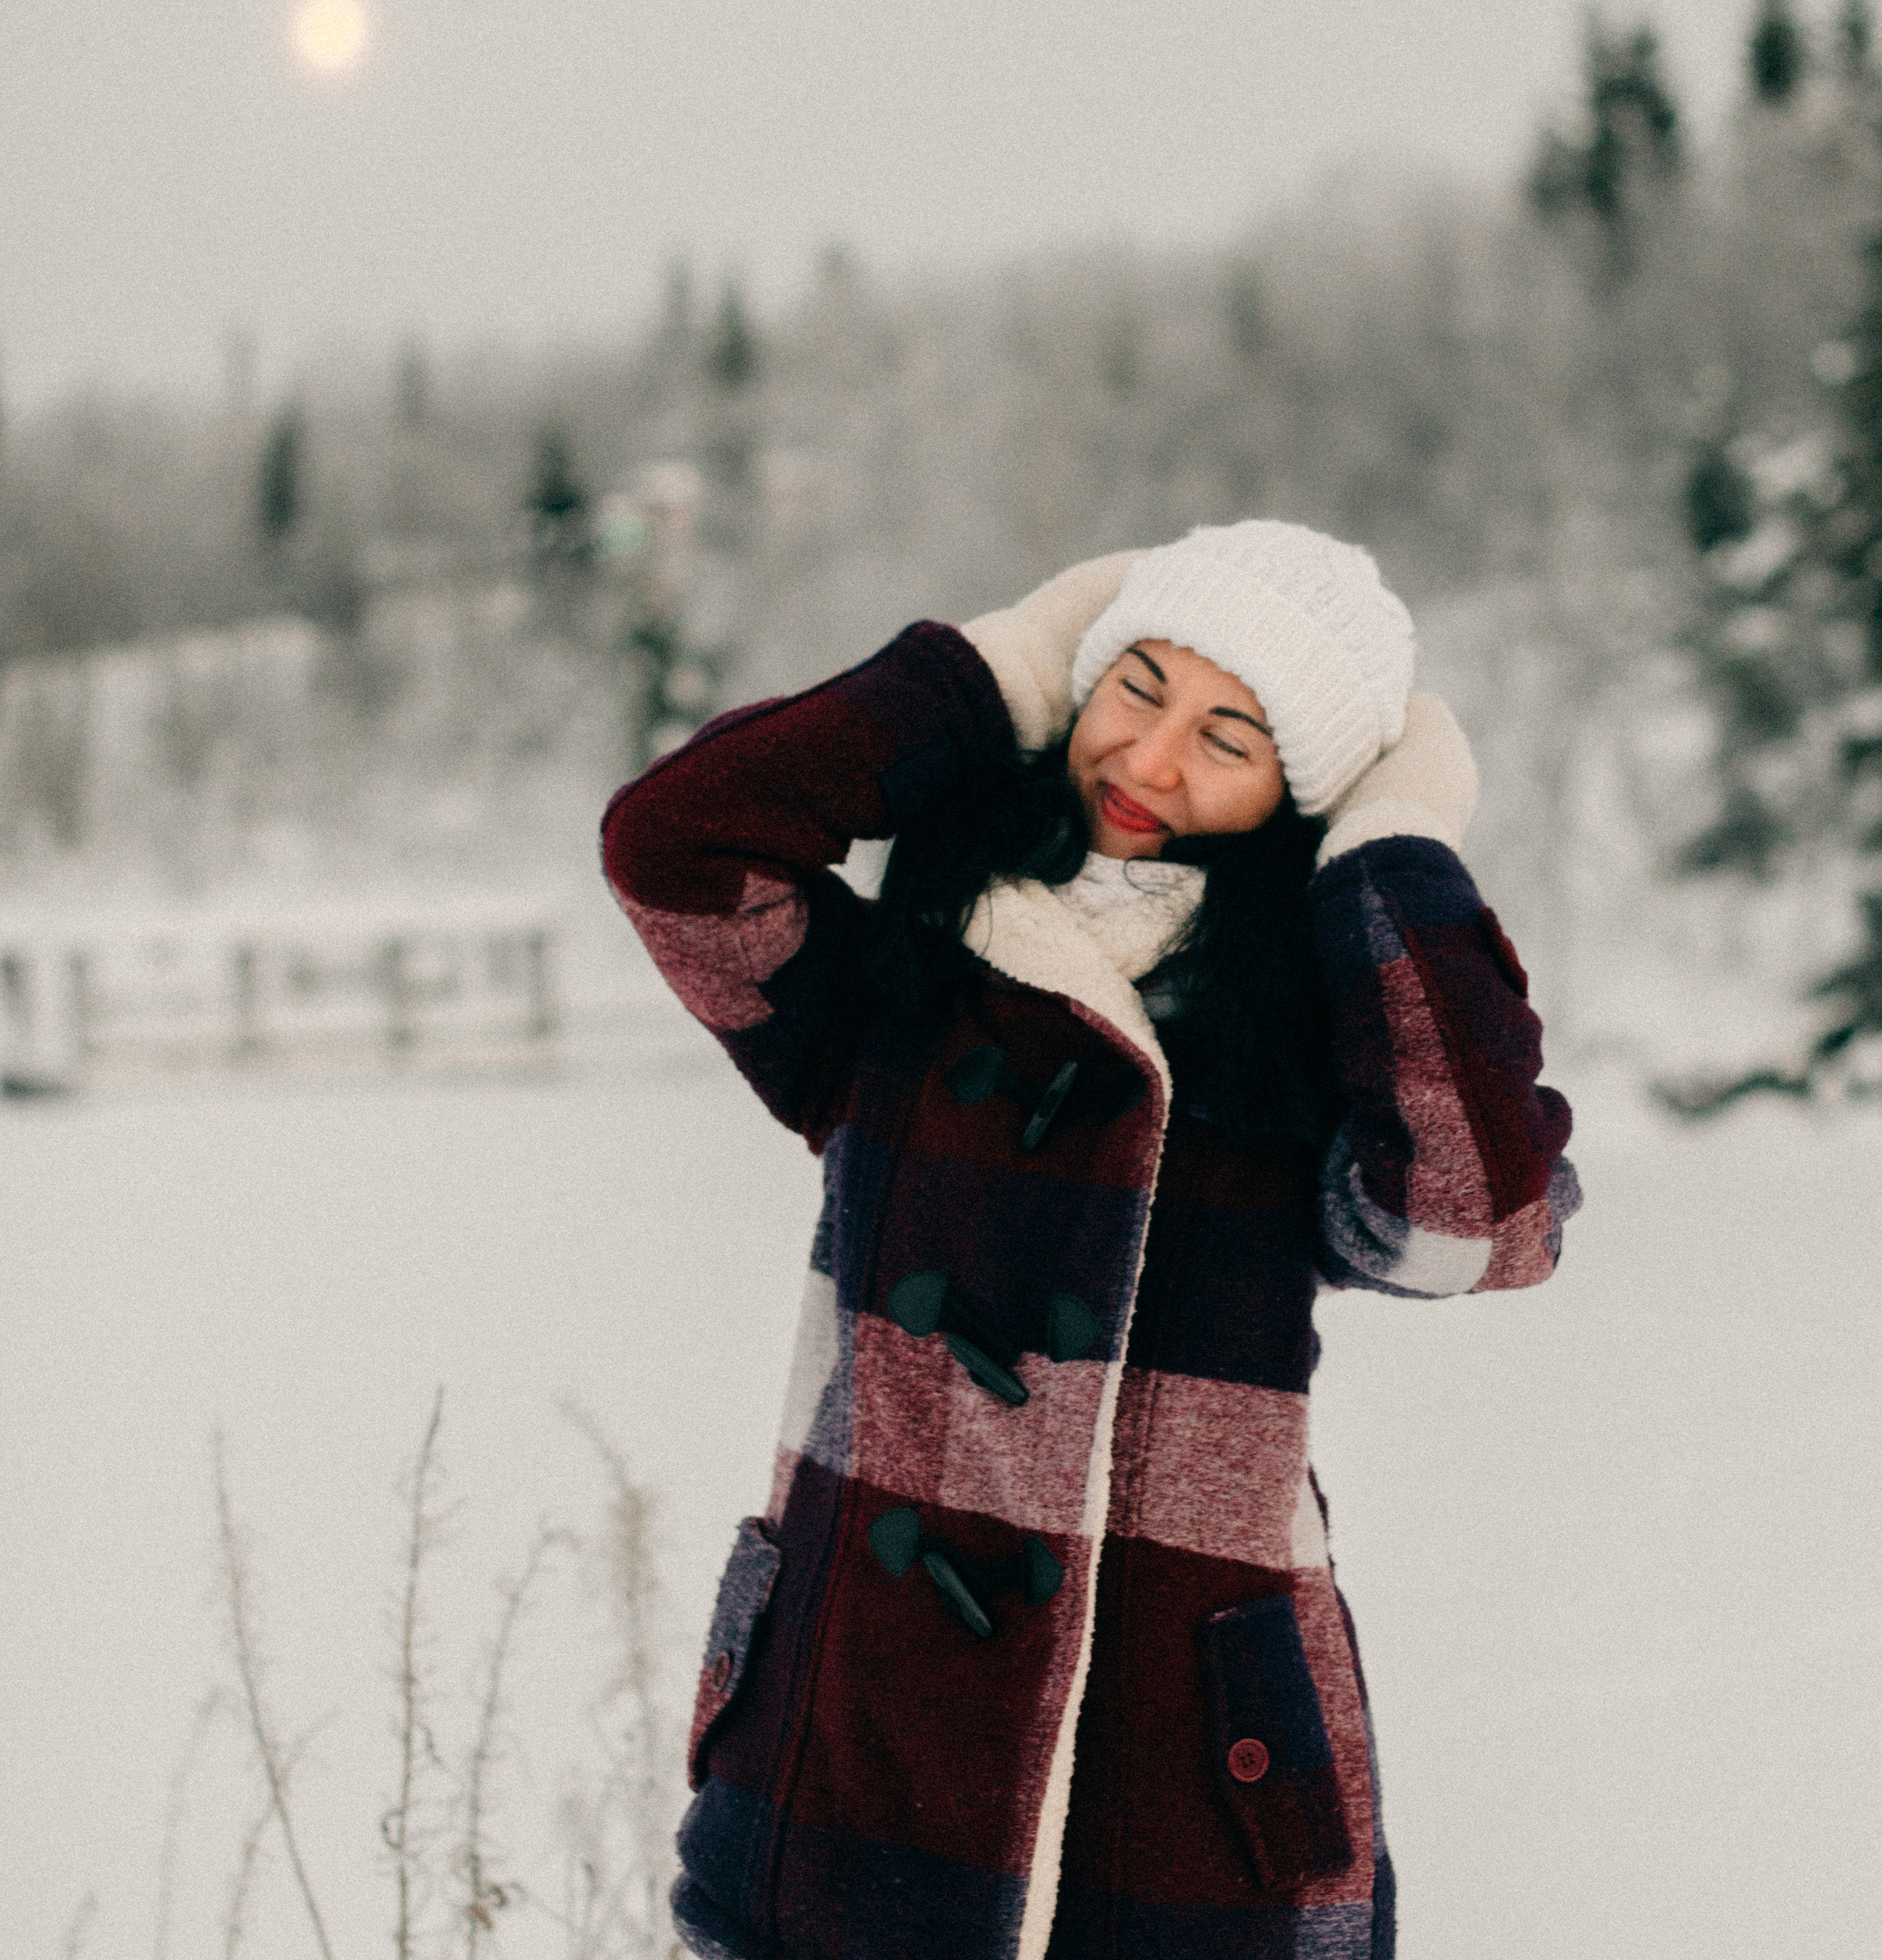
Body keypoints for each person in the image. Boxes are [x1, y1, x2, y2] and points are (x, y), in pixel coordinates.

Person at [602, 521, 1579, 1960]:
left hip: (1184, 1753)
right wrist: (985, 674)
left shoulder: (1305, 1033)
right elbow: (677, 844)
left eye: (1231, 735)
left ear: (1297, 795)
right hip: (860, 1744)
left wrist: (1396, 853)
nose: (1153, 760)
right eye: (1137, 686)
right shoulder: (905, 984)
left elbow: (1478, 1223)